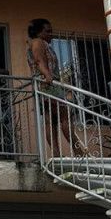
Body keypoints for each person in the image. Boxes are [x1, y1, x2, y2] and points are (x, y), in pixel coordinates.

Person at [26, 19, 84, 158]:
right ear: (38, 32)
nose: (51, 34)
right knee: (65, 117)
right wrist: (47, 75)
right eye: (48, 31)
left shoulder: (40, 43)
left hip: (44, 85)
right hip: (48, 85)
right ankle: (78, 152)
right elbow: (39, 60)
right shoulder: (38, 42)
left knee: (50, 120)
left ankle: (57, 153)